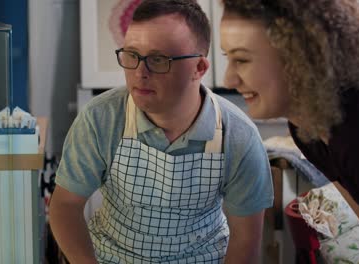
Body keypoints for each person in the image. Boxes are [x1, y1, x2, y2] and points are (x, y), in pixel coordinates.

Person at [49, 0, 273, 263]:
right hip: (112, 256)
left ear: (199, 68)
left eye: (158, 60)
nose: (139, 73)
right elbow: (65, 207)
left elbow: (246, 240)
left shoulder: (238, 136)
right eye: (131, 55)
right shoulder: (101, 118)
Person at [220, 0, 359, 205]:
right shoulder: (305, 128)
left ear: (300, 57)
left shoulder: (353, 129)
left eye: (241, 60)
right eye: (228, 58)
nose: (229, 80)